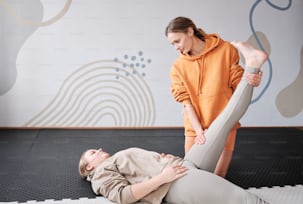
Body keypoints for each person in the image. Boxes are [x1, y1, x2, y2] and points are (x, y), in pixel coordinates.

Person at [78, 41, 268, 204]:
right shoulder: (100, 174)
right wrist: (162, 177)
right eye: (93, 153)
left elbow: (141, 170)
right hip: (174, 183)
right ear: (89, 167)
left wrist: (160, 160)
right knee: (242, 199)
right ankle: (252, 64)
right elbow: (123, 196)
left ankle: (252, 65)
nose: (100, 149)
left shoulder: (113, 161)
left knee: (225, 120)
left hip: (183, 164)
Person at [165, 16, 263, 177]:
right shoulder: (178, 67)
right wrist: (198, 131)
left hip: (224, 124)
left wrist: (253, 77)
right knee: (192, 175)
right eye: (172, 44)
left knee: (219, 175)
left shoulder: (225, 50)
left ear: (190, 31)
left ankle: (254, 62)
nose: (175, 47)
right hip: (195, 128)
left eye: (177, 41)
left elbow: (238, 82)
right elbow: (186, 104)